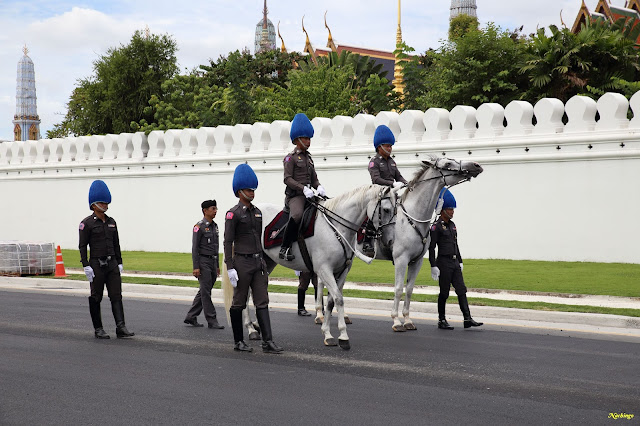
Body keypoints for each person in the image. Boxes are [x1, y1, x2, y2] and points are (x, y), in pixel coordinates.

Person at [224, 164, 283, 354]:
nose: (252, 192)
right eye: (249, 189)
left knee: (262, 301)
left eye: (253, 189)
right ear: (240, 191)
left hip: (258, 263)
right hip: (241, 262)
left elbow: (259, 239)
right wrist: (230, 267)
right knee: (239, 302)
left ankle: (268, 341)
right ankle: (238, 341)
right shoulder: (233, 214)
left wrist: (263, 262)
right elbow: (227, 242)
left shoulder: (257, 213)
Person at [79, 180, 135, 339]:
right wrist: (86, 265)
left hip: (111, 263)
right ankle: (98, 328)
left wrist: (120, 262)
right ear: (94, 204)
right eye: (103, 202)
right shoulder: (86, 224)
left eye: (106, 202)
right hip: (96, 263)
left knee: (116, 295)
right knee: (96, 296)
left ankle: (121, 327)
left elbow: (116, 244)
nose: (106, 205)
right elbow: (83, 246)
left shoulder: (111, 222)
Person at [428, 189, 483, 330]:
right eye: (450, 209)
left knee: (461, 290)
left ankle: (467, 318)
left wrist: (460, 260)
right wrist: (433, 265)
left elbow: (455, 244)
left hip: (454, 262)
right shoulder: (436, 227)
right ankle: (441, 319)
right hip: (444, 263)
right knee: (444, 292)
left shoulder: (452, 225)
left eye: (452, 209)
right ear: (442, 210)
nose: (452, 212)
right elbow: (432, 247)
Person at [280, 112, 327, 261]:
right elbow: (287, 179)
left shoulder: (309, 158)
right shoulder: (290, 158)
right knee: (297, 215)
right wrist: (303, 189)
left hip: (309, 194)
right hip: (296, 196)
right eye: (306, 138)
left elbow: (314, 179)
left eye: (309, 138)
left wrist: (318, 187)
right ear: (297, 139)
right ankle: (284, 247)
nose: (308, 141)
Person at [363, 124, 408, 256]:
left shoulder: (392, 162)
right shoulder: (374, 162)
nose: (390, 148)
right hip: (379, 194)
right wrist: (392, 184)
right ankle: (367, 241)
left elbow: (398, 176)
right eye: (387, 146)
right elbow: (376, 179)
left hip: (392, 194)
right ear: (379, 147)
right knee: (374, 212)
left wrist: (406, 183)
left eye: (390, 146)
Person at [184, 200, 224, 329]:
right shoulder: (199, 226)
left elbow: (216, 247)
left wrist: (217, 265)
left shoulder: (215, 226)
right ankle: (212, 320)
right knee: (206, 292)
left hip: (212, 262)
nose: (215, 211)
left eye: (216, 208)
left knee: (204, 291)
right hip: (203, 262)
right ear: (205, 211)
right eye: (213, 208)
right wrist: (196, 267)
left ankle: (191, 316)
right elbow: (195, 248)